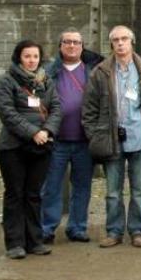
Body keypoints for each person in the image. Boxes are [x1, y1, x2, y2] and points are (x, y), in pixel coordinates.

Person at [83, 25, 141, 249]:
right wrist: (94, 134)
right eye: (116, 40)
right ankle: (114, 230)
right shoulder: (100, 72)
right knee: (112, 192)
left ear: (132, 42)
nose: (120, 43)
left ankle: (138, 230)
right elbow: (88, 109)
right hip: (111, 141)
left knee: (140, 190)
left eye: (124, 39)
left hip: (140, 140)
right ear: (111, 44)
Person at [0, 39, 62, 259]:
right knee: (15, 194)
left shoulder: (46, 81)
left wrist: (48, 131)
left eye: (35, 56)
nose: (32, 60)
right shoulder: (7, 81)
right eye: (27, 56)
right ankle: (14, 243)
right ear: (19, 58)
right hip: (13, 148)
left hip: (41, 146)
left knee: (34, 195)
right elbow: (8, 113)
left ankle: (34, 240)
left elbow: (56, 108)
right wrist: (33, 132)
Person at [41, 29, 103, 244]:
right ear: (60, 46)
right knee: (52, 186)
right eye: (67, 42)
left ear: (82, 46)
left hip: (84, 140)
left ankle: (77, 227)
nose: (72, 46)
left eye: (76, 42)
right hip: (56, 139)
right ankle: (47, 228)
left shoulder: (93, 71)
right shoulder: (48, 71)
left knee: (82, 186)